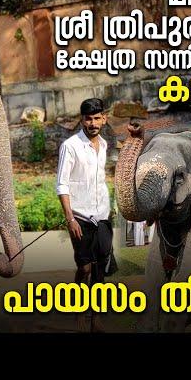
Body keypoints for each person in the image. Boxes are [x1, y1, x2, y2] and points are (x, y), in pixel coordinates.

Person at [56, 98, 116, 332]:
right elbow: (62, 185)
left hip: (102, 215)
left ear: (104, 118)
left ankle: (96, 318)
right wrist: (70, 218)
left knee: (101, 268)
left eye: (97, 118)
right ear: (81, 120)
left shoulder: (103, 145)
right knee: (85, 268)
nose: (92, 123)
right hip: (80, 218)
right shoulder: (70, 146)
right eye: (88, 119)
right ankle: (79, 310)